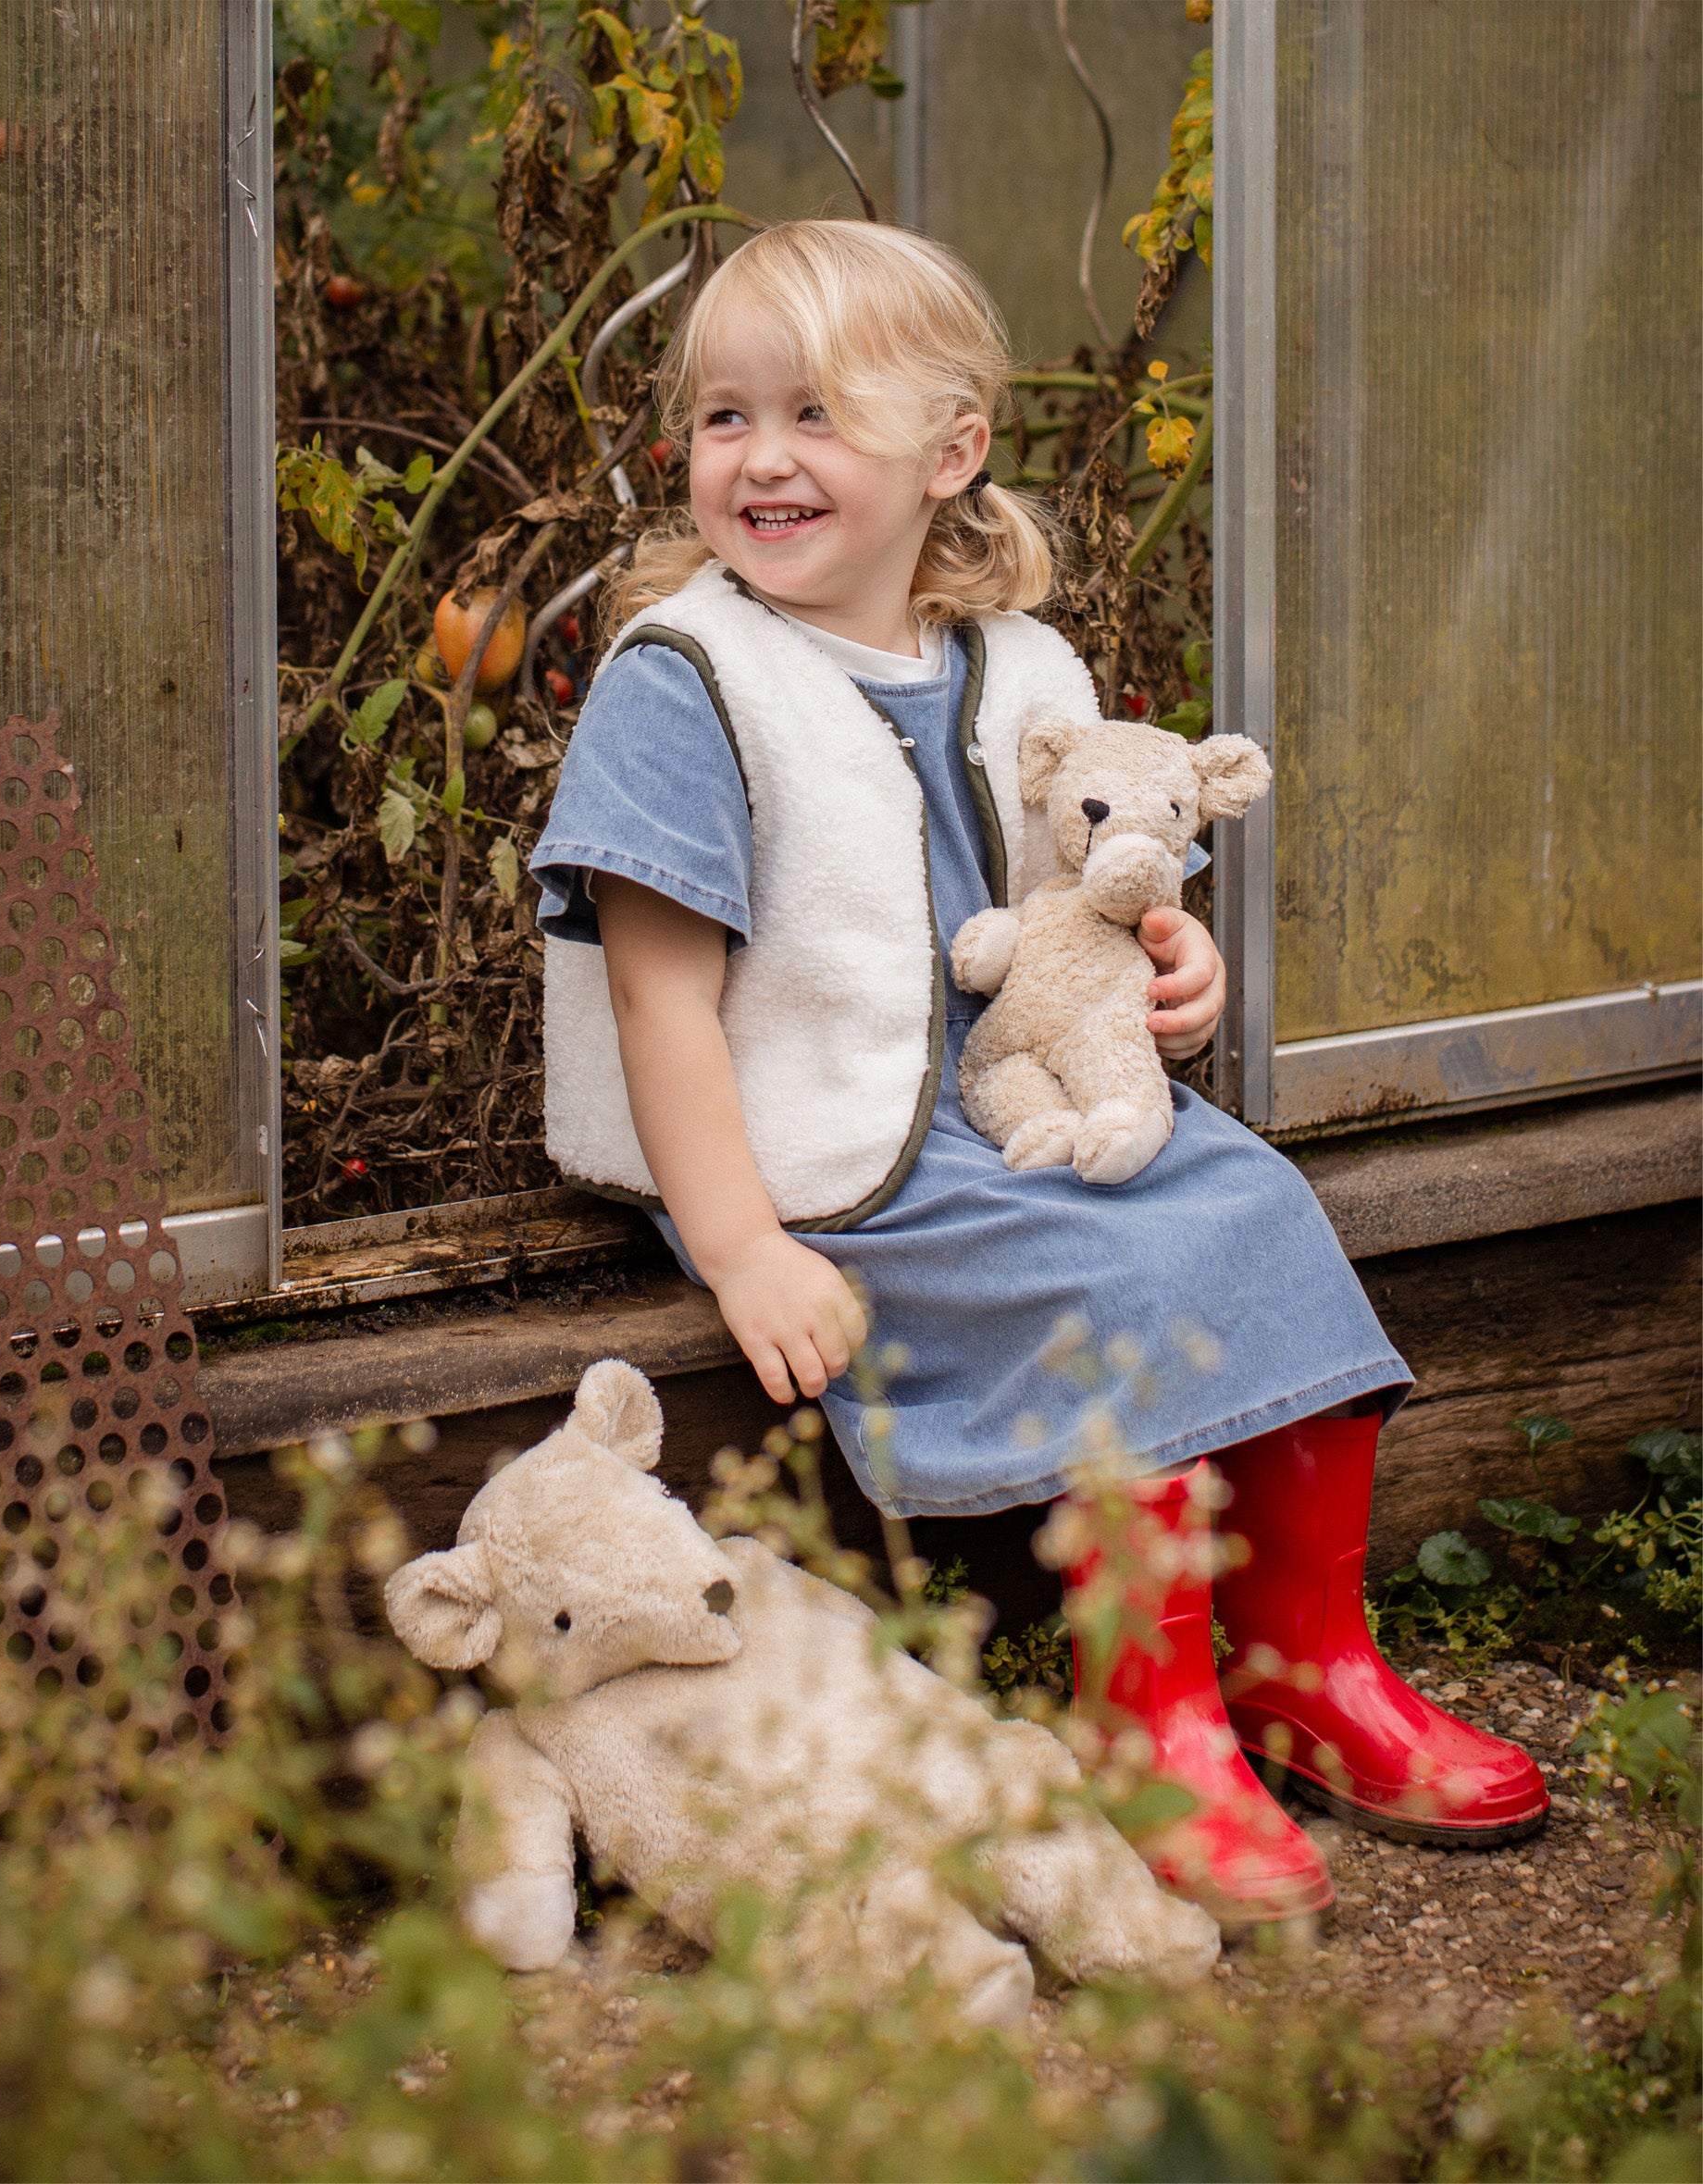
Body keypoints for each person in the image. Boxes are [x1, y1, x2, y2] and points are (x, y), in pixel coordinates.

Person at [531, 220, 1545, 1923]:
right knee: (1115, 1270)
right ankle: (1147, 1723)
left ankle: (1307, 1665)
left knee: (1261, 1205)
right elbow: (661, 1008)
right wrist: (744, 1245)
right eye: (722, 417)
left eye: (816, 415)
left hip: (1013, 1099)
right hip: (821, 1150)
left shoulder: (1019, 672)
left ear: (952, 452)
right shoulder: (689, 684)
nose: (760, 457)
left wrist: (1176, 983)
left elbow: (1079, 910)